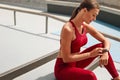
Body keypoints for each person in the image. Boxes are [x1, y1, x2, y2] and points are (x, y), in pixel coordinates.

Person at [54, 0, 120, 80]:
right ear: (84, 10)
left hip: (76, 62)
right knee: (90, 76)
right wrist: (90, 54)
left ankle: (117, 78)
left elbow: (105, 41)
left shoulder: (84, 26)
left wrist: (105, 52)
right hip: (63, 68)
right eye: (93, 15)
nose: (94, 19)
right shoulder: (68, 29)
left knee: (102, 47)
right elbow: (66, 58)